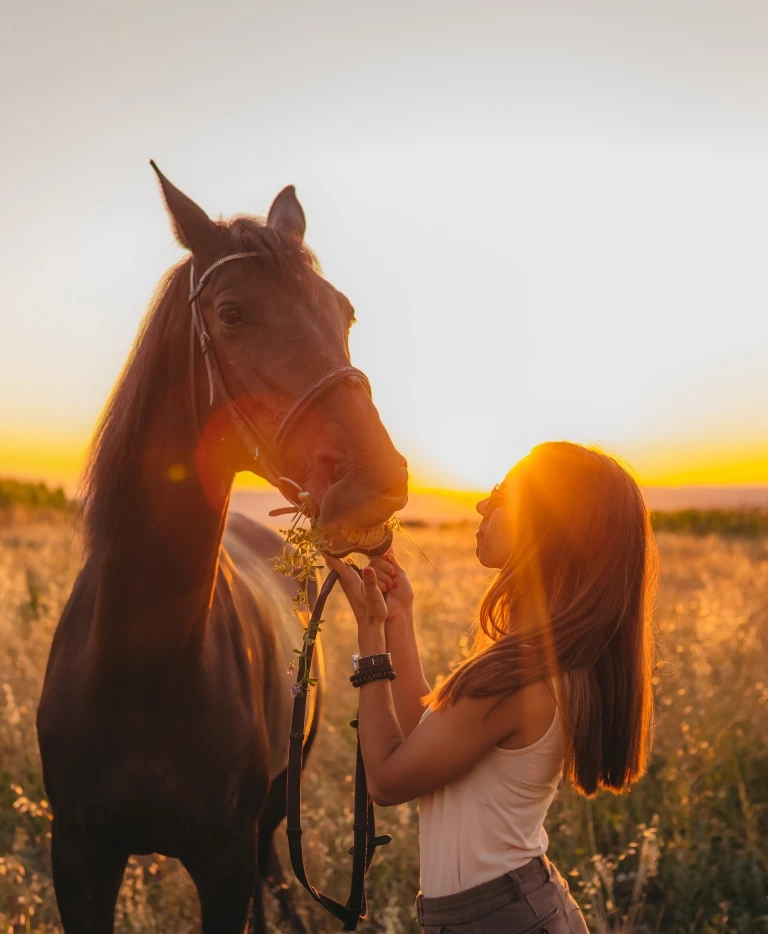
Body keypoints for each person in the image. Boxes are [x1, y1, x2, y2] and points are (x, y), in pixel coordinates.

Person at [324, 441, 658, 934]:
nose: (483, 505)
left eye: (501, 494)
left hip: (499, 919)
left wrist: (370, 632)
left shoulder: (519, 673)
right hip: (517, 908)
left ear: (543, 522)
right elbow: (427, 739)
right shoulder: (547, 658)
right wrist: (399, 618)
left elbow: (388, 780)